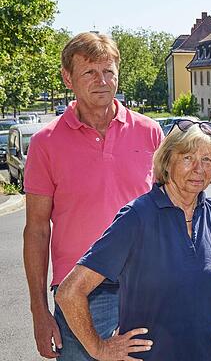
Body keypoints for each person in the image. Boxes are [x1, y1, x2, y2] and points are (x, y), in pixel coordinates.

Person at [55, 118, 211, 360]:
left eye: (207, 160)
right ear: (167, 161)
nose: (199, 169)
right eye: (187, 158)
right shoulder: (137, 217)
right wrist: (100, 349)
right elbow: (69, 292)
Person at [23, 32, 163, 360]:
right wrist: (39, 312)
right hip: (79, 296)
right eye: (89, 72)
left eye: (109, 71)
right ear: (67, 78)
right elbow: (37, 230)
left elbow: (169, 211)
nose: (101, 81)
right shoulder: (46, 143)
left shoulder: (150, 132)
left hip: (146, 287)